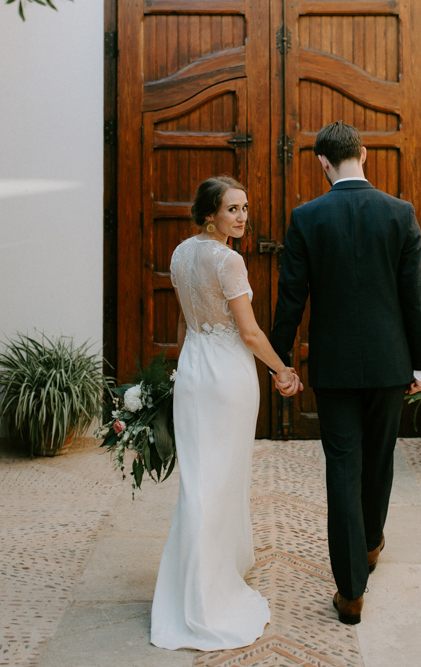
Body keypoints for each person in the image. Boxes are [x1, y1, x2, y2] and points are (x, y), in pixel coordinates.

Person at [270, 122, 421, 626]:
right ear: (364, 154)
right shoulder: (399, 213)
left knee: (343, 468)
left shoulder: (306, 217)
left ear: (322, 162)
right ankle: (371, 544)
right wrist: (420, 364)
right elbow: (414, 298)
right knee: (380, 459)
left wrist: (281, 361)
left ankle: (351, 591)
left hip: (334, 367)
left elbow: (291, 297)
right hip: (390, 363)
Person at [150, 175, 302, 651]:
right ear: (209, 214)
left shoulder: (180, 253)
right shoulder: (229, 260)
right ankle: (207, 595)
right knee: (217, 478)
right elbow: (251, 333)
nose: (242, 217)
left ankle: (199, 580)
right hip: (227, 376)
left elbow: (182, 320)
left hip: (195, 370)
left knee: (202, 478)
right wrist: (283, 371)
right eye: (232, 209)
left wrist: (178, 364)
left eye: (244, 208)